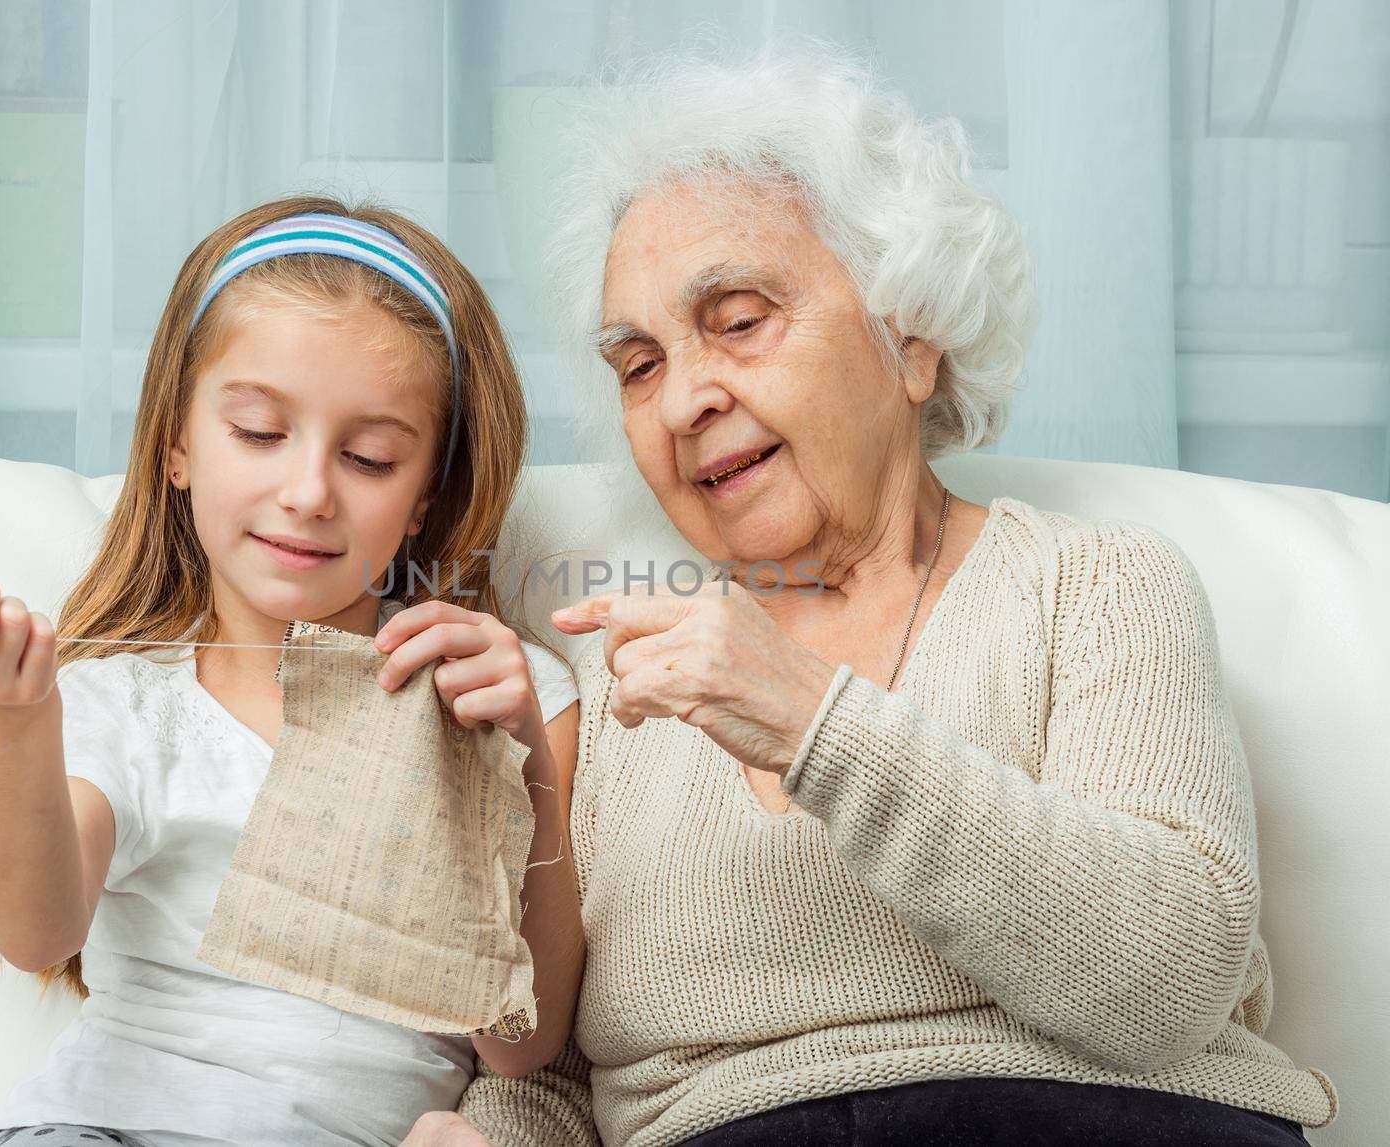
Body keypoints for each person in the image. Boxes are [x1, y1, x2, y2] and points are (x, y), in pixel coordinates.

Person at [403, 40, 1337, 1147]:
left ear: (912, 336)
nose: (684, 398)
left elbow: (1172, 971)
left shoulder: (1096, 584)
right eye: (639, 363)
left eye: (738, 320)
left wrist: (812, 720)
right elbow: (547, 1075)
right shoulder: (609, 690)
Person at [0, 195, 585, 1147]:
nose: (308, 491)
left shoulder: (510, 693)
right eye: (261, 434)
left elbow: (521, 1047)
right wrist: (4, 721)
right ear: (178, 447)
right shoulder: (134, 700)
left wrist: (517, 765)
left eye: (368, 456)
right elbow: (35, 929)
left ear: (426, 491)